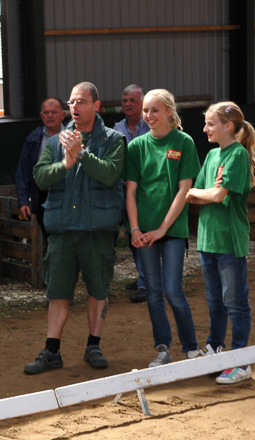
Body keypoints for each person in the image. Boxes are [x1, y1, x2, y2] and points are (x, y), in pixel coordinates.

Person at [25, 81, 126, 375]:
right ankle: (52, 351)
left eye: (81, 102)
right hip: (63, 231)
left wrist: (81, 154)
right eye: (71, 102)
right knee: (57, 291)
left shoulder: (113, 140)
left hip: (97, 231)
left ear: (96, 106)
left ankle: (93, 345)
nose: (75, 108)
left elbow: (110, 174)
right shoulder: (57, 142)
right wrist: (65, 165)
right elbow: (41, 177)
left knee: (98, 289)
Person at [185, 101, 255, 385]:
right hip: (208, 241)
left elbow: (216, 196)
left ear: (227, 126)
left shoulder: (237, 154)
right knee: (215, 302)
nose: (205, 129)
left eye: (210, 124)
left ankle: (240, 360)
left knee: (235, 302)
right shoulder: (213, 155)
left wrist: (201, 192)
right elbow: (202, 192)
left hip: (229, 241)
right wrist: (204, 191)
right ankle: (216, 350)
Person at [124, 89, 201, 368]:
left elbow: (185, 190)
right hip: (144, 232)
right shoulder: (136, 146)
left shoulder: (184, 142)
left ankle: (191, 348)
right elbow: (131, 192)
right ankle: (163, 349)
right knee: (153, 292)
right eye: (146, 110)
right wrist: (134, 229)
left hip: (172, 231)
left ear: (169, 111)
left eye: (154, 110)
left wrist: (162, 228)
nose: (148, 116)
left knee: (173, 290)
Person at [114, 84, 152, 304]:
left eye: (132, 100)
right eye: (124, 100)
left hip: (146, 191)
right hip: (123, 190)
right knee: (132, 234)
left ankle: (148, 283)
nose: (127, 104)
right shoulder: (117, 129)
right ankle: (143, 277)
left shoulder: (151, 127)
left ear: (142, 102)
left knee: (144, 234)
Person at [15, 97, 65, 232]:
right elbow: (23, 173)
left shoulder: (73, 136)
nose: (50, 116)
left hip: (67, 197)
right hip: (43, 198)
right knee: (49, 238)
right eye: (46, 112)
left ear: (63, 115)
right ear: (41, 116)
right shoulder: (33, 139)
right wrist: (24, 201)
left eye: (54, 112)